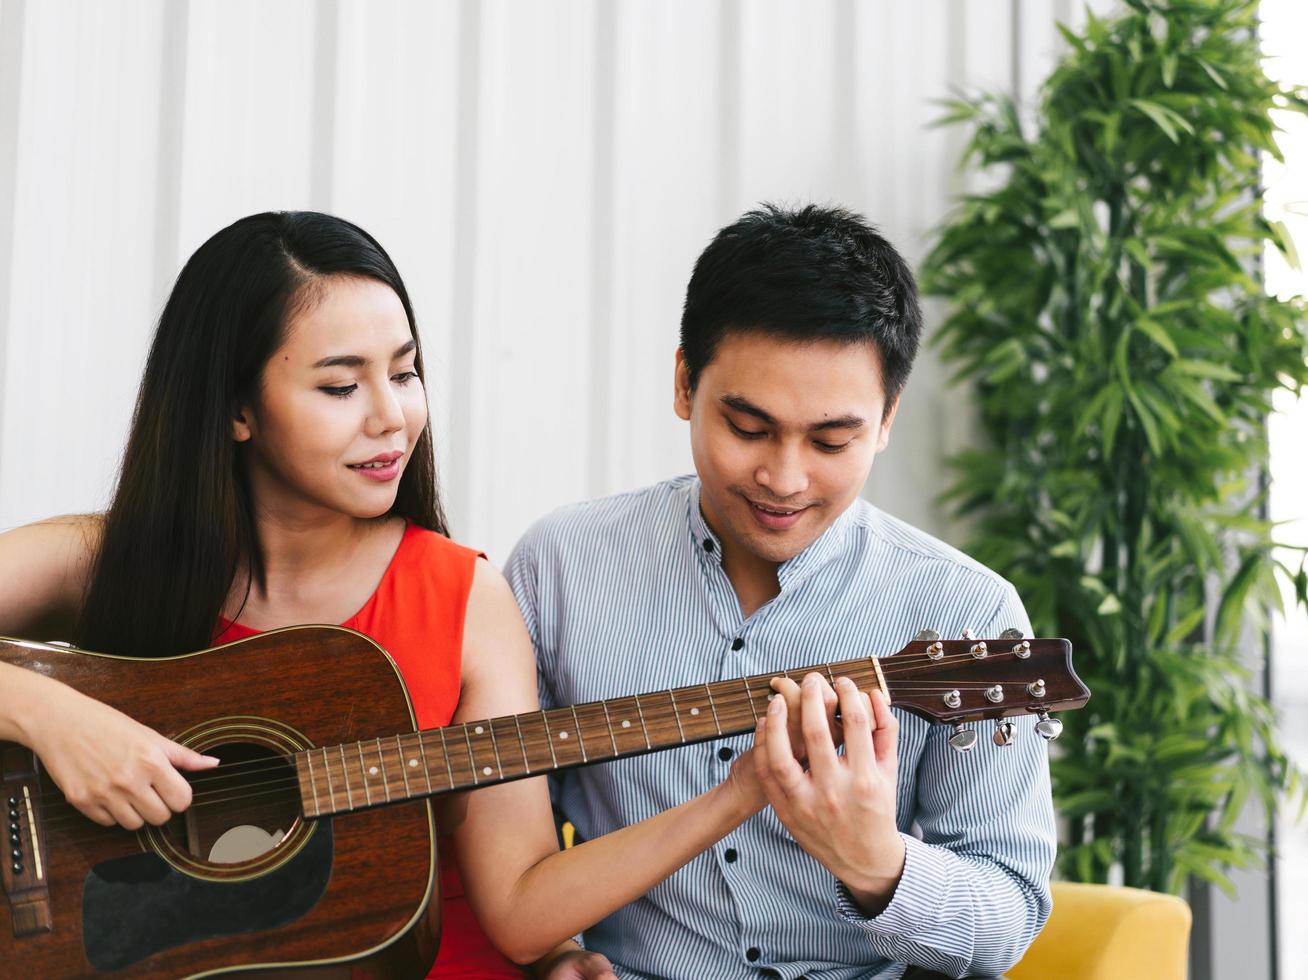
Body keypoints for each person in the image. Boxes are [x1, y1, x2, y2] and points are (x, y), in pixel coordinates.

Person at [0, 211, 778, 979]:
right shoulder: (106, 558)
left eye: (405, 374)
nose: (392, 417)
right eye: (341, 385)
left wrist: (741, 794)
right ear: (236, 408)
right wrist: (49, 715)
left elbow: (518, 910)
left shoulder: (463, 598)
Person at [507, 204, 1057, 980]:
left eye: (832, 441)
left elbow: (1010, 917)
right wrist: (556, 952)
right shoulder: (558, 568)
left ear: (886, 420)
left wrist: (878, 866)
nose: (784, 478)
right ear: (683, 383)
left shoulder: (970, 614)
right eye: (748, 427)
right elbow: (502, 854)